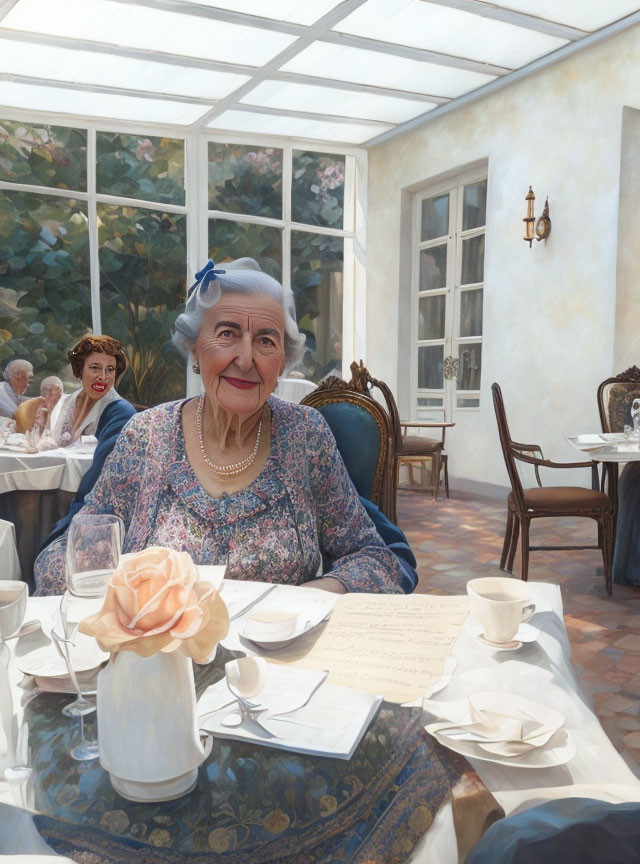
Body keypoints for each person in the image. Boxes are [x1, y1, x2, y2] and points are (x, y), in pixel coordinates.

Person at [34, 260, 405, 596]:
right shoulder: (146, 435)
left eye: (265, 340)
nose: (245, 359)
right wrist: (126, 598)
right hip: (161, 656)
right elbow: (64, 558)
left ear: (282, 363)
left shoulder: (306, 435)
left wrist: (313, 596)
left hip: (275, 661)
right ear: (195, 348)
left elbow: (373, 559)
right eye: (227, 333)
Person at [38, 336, 137, 552]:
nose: (103, 376)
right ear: (79, 369)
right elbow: (53, 441)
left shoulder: (119, 411)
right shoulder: (69, 401)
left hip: (89, 504)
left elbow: (102, 476)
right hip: (54, 491)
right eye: (95, 367)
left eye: (110, 369)